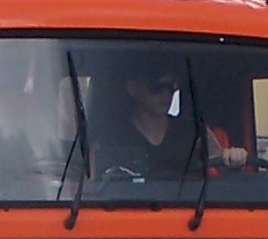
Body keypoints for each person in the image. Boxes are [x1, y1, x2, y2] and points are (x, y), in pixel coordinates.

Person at [94, 62, 247, 183]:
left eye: (171, 87)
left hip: (190, 215)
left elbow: (222, 165)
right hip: (125, 215)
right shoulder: (110, 135)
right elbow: (86, 183)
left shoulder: (195, 130)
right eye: (157, 88)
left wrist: (234, 159)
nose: (166, 94)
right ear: (133, 89)